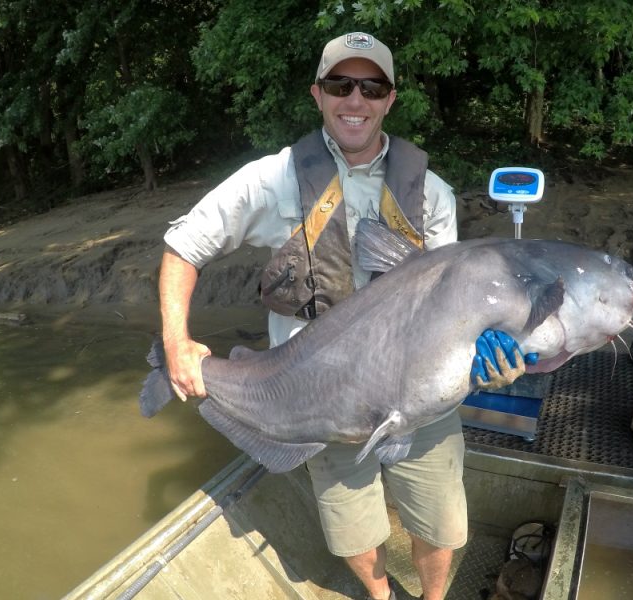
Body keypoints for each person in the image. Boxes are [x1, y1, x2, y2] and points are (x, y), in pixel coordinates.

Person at [157, 32, 524, 600]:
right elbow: (184, 246)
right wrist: (177, 344)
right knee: (351, 528)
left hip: (422, 399)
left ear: (390, 99)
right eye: (340, 85)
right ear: (318, 94)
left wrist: (491, 353)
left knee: (441, 524)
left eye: (371, 86)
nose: (356, 99)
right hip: (313, 400)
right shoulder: (271, 179)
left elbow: (460, 305)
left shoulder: (432, 195)